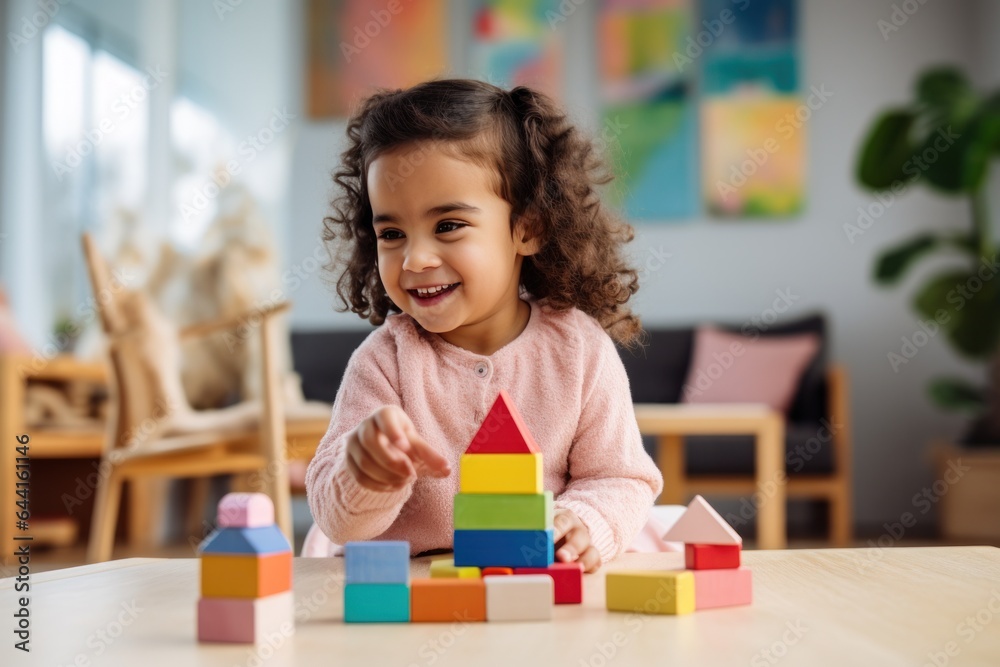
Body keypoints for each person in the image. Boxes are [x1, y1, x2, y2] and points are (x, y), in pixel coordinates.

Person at [303, 79, 663, 573]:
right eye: (392, 233)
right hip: (406, 596)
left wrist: (581, 522)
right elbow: (337, 519)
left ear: (527, 228)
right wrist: (365, 474)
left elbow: (621, 478)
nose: (416, 258)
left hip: (532, 583)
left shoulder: (580, 350)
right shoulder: (383, 361)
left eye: (448, 225)